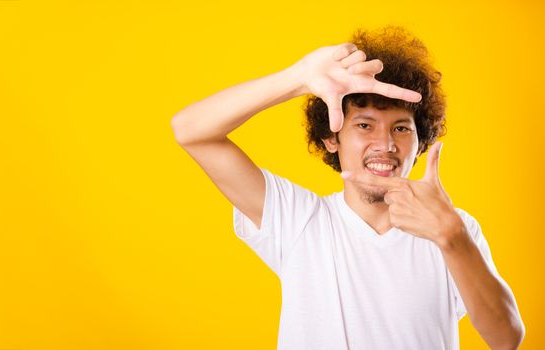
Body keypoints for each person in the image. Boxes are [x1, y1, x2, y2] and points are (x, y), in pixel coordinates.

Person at [171, 26, 525, 350]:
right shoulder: (297, 220)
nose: (385, 143)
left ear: (420, 143)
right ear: (331, 137)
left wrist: (452, 236)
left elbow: (507, 338)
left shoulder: (454, 228)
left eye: (401, 128)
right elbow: (190, 130)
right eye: (365, 125)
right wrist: (299, 79)